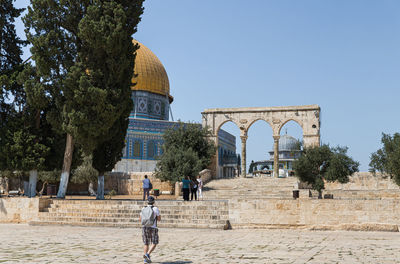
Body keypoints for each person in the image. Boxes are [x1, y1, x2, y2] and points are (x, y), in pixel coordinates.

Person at [140, 196, 161, 263]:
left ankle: (145, 260)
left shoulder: (143, 208)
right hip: (153, 227)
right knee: (154, 242)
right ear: (153, 202)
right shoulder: (155, 209)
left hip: (144, 227)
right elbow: (159, 219)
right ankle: (147, 254)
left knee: (146, 243)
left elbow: (140, 219)